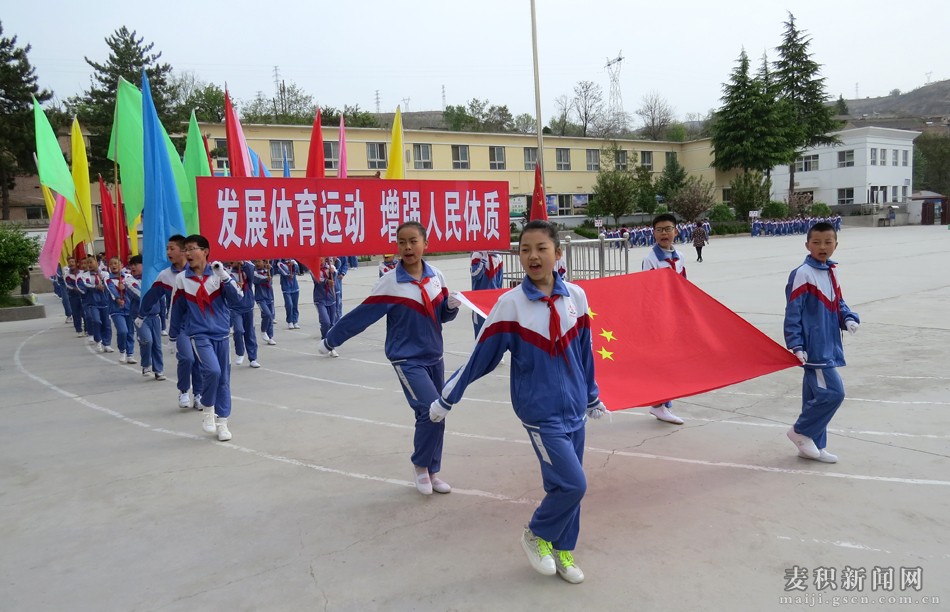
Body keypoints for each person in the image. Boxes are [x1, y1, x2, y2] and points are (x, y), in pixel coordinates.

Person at [430, 220, 605, 585]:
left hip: (575, 409)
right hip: (539, 412)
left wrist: (591, 396)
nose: (533, 256)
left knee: (560, 486)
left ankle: (563, 549)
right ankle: (537, 533)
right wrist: (448, 397)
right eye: (525, 250)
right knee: (574, 484)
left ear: (558, 253)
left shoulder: (576, 297)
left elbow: (585, 352)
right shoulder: (510, 305)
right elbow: (482, 356)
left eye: (541, 248)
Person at [317, 221, 459, 495]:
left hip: (434, 355)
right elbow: (362, 315)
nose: (408, 247)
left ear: (425, 244)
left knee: (438, 412)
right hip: (406, 358)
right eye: (402, 242)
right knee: (430, 409)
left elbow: (441, 316)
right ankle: (420, 466)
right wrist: (331, 339)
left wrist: (451, 307)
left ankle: (433, 470)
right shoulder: (391, 282)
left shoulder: (437, 276)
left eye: (413, 241)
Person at [784, 221, 860, 463]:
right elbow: (793, 313)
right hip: (814, 349)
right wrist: (796, 345)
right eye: (816, 242)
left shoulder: (831, 271)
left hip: (829, 343)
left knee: (814, 398)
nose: (822, 247)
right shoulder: (802, 274)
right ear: (807, 245)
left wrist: (848, 318)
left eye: (828, 242)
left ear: (836, 244)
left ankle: (816, 445)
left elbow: (838, 302)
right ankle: (801, 432)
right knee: (833, 394)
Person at [169, 234, 245, 441]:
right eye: (185, 250)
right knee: (212, 371)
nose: (187, 253)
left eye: (191, 249)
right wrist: (173, 337)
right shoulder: (182, 279)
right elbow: (176, 309)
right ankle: (208, 409)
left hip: (221, 333)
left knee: (224, 379)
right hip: (199, 333)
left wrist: (224, 277)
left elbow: (238, 299)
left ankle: (222, 423)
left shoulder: (219, 274)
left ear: (205, 252)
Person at [641, 213, 687, 424]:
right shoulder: (650, 259)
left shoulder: (680, 257)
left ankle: (664, 403)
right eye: (659, 230)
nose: (664, 233)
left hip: (674, 315)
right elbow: (648, 291)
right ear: (653, 233)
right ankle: (659, 405)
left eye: (668, 229)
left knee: (673, 360)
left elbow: (683, 285)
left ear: (675, 231)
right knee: (663, 361)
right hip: (658, 318)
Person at [127, 255, 164, 379]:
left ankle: (158, 370)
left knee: (157, 345)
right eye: (131, 265)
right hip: (140, 317)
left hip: (155, 316)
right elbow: (140, 295)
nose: (133, 267)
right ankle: (146, 364)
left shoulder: (154, 278)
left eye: (136, 264)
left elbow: (161, 295)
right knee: (147, 341)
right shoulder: (129, 280)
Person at [228, 260, 261, 368]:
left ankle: (253, 358)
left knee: (250, 333)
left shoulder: (247, 267)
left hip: (248, 306)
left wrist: (242, 263)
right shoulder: (228, 272)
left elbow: (251, 270)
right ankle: (240, 352)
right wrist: (235, 285)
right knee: (238, 330)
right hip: (235, 308)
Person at [105, 256, 137, 364]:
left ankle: (130, 354)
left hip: (129, 308)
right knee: (123, 331)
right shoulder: (108, 279)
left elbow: (134, 288)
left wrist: (125, 287)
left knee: (130, 332)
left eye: (116, 263)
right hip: (116, 309)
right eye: (111, 264)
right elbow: (111, 290)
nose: (113, 266)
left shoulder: (128, 277)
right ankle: (122, 351)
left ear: (122, 265)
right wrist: (118, 298)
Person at [469, 250, 504, 335]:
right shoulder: (477, 255)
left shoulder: (497, 256)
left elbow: (500, 279)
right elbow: (475, 275)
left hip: (494, 300)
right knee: (480, 331)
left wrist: (499, 296)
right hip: (479, 300)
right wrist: (483, 260)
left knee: (494, 330)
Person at [310, 257, 337, 347]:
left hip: (330, 297)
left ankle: (331, 344)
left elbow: (334, 279)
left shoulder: (330, 267)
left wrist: (333, 272)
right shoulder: (313, 269)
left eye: (321, 258)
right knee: (325, 322)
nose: (320, 260)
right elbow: (317, 280)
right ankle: (324, 339)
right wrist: (327, 281)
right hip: (320, 299)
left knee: (332, 323)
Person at [253, 259, 277, 345]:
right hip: (260, 298)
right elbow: (257, 280)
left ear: (264, 262)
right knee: (267, 314)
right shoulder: (254, 272)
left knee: (271, 317)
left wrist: (271, 269)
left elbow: (272, 276)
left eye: (259, 261)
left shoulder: (268, 270)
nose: (257, 263)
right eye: (256, 262)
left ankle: (270, 337)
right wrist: (266, 278)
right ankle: (263, 330)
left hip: (269, 296)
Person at [276, 258, 301, 329]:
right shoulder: (280, 263)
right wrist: (288, 273)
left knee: (295, 305)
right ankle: (290, 321)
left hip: (295, 286)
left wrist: (293, 265)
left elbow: (297, 269)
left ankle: (295, 321)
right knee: (289, 304)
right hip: (286, 287)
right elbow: (284, 272)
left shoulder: (293, 261)